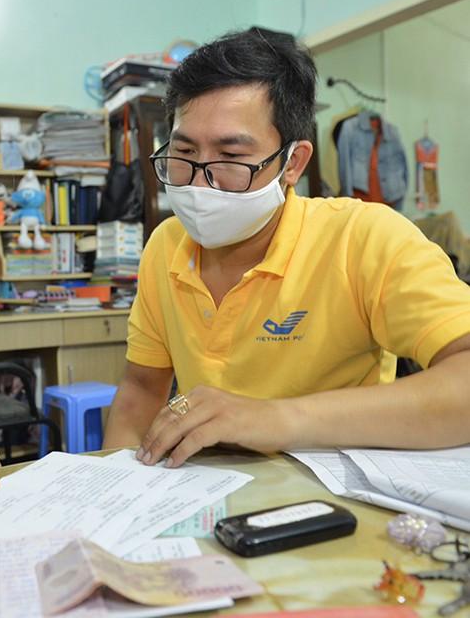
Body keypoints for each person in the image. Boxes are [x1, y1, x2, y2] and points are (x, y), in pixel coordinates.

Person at [103, 28, 470, 468]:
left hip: (332, 490)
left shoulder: (361, 237)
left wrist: (277, 418)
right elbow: (142, 389)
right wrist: (117, 484)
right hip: (207, 487)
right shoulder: (166, 245)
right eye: (183, 152)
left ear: (293, 163)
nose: (200, 184)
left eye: (231, 157)